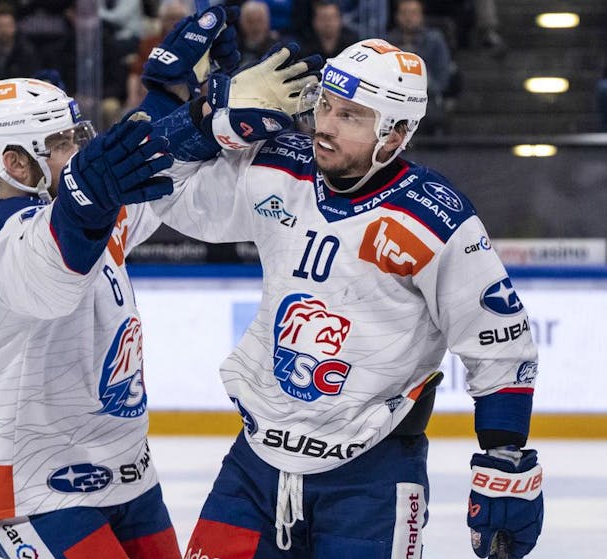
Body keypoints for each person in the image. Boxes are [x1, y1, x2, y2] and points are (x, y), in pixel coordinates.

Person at [146, 38, 544, 558]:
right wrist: (206, 125)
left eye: (351, 116)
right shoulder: (278, 169)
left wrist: (504, 455)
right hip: (255, 465)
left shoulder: (435, 219)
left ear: (396, 134)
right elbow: (164, 195)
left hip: (373, 480)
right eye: (324, 106)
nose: (326, 125)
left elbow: (497, 343)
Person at [0, 77, 179, 558]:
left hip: (124, 467)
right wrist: (90, 195)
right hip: (32, 483)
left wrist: (182, 101)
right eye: (61, 143)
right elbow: (62, 262)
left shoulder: (83, 209)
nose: (78, 149)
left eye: (77, 136)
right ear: (15, 163)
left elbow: (143, 168)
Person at [387, 0, 453, 134]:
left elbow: (442, 79)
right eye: (404, 13)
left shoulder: (434, 40)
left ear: (421, 16)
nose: (408, 18)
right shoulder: (388, 42)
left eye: (413, 13)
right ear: (397, 17)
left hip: (427, 98)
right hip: (395, 99)